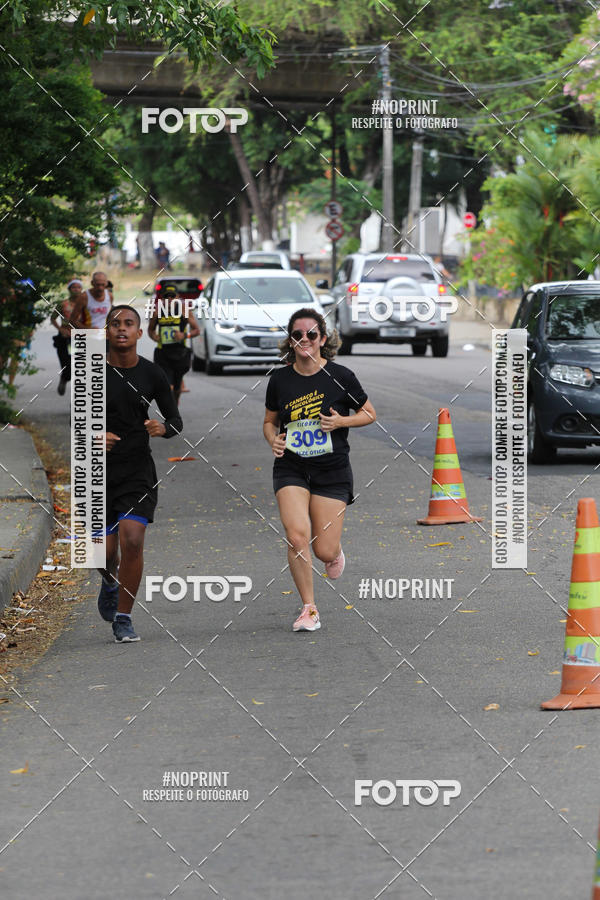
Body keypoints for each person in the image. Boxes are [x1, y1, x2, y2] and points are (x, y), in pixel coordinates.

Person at [263, 308, 376, 632]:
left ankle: (334, 550)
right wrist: (273, 440)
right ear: (290, 340)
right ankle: (309, 609)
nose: (304, 340)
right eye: (297, 335)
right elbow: (269, 421)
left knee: (322, 549)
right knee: (297, 535)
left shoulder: (341, 376)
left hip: (332, 469)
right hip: (291, 467)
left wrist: (341, 420)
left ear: (322, 339)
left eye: (311, 334)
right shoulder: (280, 379)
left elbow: (369, 413)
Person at [97, 305, 183, 642]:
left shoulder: (152, 374)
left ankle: (123, 617)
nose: (121, 329)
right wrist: (93, 434)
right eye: (115, 324)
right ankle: (108, 580)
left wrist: (163, 428)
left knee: (132, 539)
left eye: (128, 324)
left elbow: (176, 420)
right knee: (102, 555)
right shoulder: (91, 374)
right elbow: (74, 423)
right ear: (106, 331)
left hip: (136, 470)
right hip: (98, 472)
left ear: (138, 332)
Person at [148, 285, 200, 406]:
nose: (170, 299)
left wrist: (184, 335)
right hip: (163, 353)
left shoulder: (184, 310)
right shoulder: (157, 311)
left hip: (180, 354)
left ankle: (174, 405)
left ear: (178, 297)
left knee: (177, 388)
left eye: (173, 296)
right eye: (167, 297)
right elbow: (150, 330)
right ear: (162, 298)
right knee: (168, 386)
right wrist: (155, 336)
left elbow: (196, 330)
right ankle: (170, 411)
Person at [51, 278, 83, 395]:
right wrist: (60, 329)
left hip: (80, 338)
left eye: (79, 287)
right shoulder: (63, 304)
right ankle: (64, 378)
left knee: (80, 365)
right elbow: (53, 318)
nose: (76, 290)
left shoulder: (86, 304)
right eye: (74, 287)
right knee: (67, 363)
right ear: (69, 289)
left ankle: (79, 395)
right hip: (65, 338)